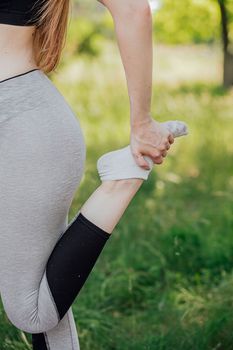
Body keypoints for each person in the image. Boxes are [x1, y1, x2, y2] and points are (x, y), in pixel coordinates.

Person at [0, 0, 188, 349]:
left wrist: (142, 123)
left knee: (33, 312)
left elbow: (133, 8)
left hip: (21, 125)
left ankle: (123, 178)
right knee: (47, 286)